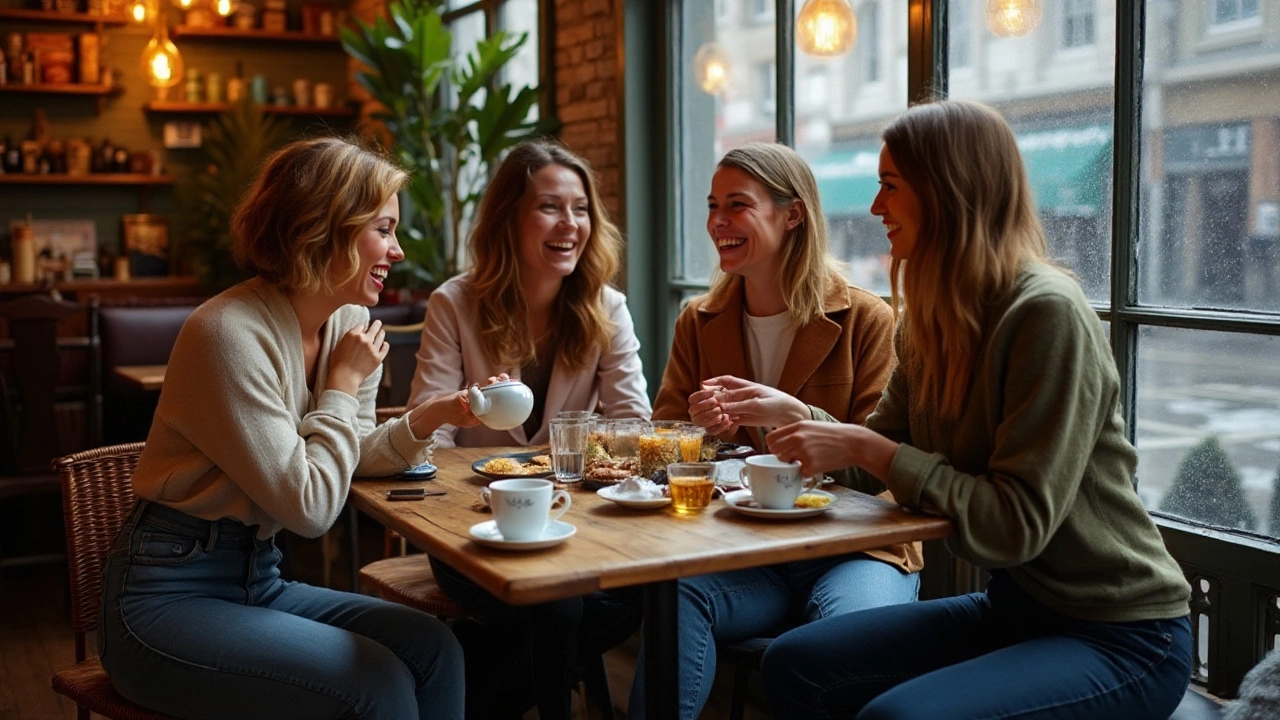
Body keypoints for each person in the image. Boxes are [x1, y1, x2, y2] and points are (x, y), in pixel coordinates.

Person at [760, 99, 1194, 720]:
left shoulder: (1046, 312)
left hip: (1122, 632)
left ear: (948, 192)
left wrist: (867, 449)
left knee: (897, 718)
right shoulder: (930, 322)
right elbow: (869, 460)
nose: (876, 207)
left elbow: (1012, 524)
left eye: (890, 186)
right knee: (793, 663)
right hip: (1016, 609)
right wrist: (795, 416)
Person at [98, 137, 470, 720]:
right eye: (384, 228)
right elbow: (312, 507)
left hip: (259, 576)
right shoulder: (226, 334)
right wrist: (342, 385)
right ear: (323, 227)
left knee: (435, 649)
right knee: (376, 685)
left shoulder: (349, 321)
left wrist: (427, 419)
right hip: (165, 598)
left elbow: (341, 457)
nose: (397, 251)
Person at [628, 142, 922, 720]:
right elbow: (656, 448)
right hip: (746, 551)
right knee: (676, 598)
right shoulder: (700, 321)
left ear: (793, 215)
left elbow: (882, 460)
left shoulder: (867, 319)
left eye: (738, 205)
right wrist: (695, 430)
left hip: (854, 549)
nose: (718, 221)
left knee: (841, 646)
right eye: (714, 205)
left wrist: (792, 414)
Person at [407, 140, 648, 720]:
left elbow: (634, 427)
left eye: (581, 208)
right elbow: (425, 438)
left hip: (574, 526)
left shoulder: (606, 307)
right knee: (560, 612)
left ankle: (459, 696)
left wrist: (568, 463)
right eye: (549, 207)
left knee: (637, 599)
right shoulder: (456, 304)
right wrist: (459, 414)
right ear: (508, 219)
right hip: (471, 529)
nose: (571, 223)